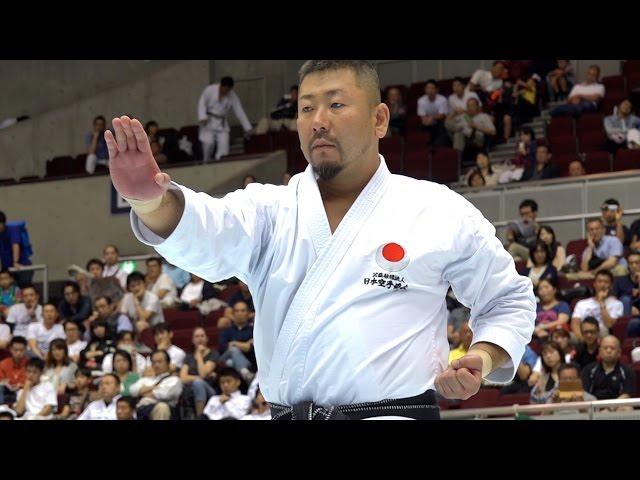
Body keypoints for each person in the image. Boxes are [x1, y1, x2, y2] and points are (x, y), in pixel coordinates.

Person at [108, 60, 536, 419]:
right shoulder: (269, 210)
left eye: (336, 104)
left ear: (379, 119)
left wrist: (482, 356)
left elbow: (509, 298)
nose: (318, 121)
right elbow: (208, 228)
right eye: (306, 107)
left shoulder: (435, 209)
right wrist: (149, 202)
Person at [198, 76, 254, 162]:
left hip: (222, 123)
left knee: (224, 145)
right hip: (209, 121)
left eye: (228, 90)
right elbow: (202, 103)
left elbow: (239, 111)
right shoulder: (210, 90)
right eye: (225, 89)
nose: (226, 92)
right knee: (208, 143)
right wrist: (202, 117)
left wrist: (248, 128)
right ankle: (206, 162)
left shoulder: (232, 95)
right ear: (221, 85)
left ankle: (220, 161)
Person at [129, 349, 182, 420]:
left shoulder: (174, 380)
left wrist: (141, 392)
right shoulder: (146, 379)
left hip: (163, 410)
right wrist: (152, 387)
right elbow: (132, 390)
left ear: (168, 363)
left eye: (160, 362)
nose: (156, 365)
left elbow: (164, 394)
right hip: (141, 410)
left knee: (162, 406)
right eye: (154, 362)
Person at [582, 336, 635, 406]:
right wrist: (599, 408)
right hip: (594, 407)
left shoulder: (627, 371)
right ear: (600, 352)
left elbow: (626, 395)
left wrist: (610, 408)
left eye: (612, 348)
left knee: (627, 409)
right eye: (605, 348)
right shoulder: (588, 370)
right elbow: (585, 393)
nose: (608, 351)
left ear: (619, 352)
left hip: (618, 407)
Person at [571, 271, 623, 340]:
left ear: (611, 286)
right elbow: (575, 324)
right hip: (584, 333)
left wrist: (601, 302)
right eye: (599, 281)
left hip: (602, 334)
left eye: (606, 282)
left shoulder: (617, 304)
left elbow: (609, 324)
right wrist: (582, 339)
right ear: (594, 284)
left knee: (603, 330)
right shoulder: (582, 303)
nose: (602, 285)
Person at [179, 327, 219, 417]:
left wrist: (199, 356)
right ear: (193, 340)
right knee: (197, 382)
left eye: (202, 336)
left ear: (207, 339)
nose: (199, 338)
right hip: (190, 391)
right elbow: (183, 378)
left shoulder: (213, 354)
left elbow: (203, 373)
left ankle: (200, 417)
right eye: (196, 336)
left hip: (210, 390)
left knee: (198, 383)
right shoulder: (188, 356)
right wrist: (202, 378)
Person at [218, 301, 255, 383]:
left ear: (248, 313)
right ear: (233, 314)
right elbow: (224, 348)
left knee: (230, 363)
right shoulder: (226, 331)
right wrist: (245, 345)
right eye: (237, 311)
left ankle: (242, 373)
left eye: (243, 310)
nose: (240, 313)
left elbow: (251, 348)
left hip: (248, 362)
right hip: (225, 357)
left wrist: (234, 343)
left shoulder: (253, 330)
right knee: (233, 351)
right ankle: (245, 374)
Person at [417, 79, 449, 146]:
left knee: (441, 127)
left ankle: (438, 147)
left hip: (440, 121)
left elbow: (442, 115)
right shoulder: (421, 100)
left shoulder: (442, 99)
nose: (430, 90)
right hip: (427, 121)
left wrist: (432, 118)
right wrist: (426, 120)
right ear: (425, 90)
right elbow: (422, 115)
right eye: (428, 88)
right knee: (421, 126)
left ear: (437, 89)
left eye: (432, 88)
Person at [614, 252, 640, 328]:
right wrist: (629, 307)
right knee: (625, 299)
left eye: (637, 263)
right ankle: (624, 328)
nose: (634, 266)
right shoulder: (620, 281)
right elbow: (613, 301)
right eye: (631, 263)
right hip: (626, 313)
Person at [0, 336, 27, 406]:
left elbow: (33, 381)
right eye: (15, 350)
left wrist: (21, 385)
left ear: (25, 350)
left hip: (23, 393)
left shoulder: (30, 365)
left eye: (21, 350)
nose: (18, 353)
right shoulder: (3, 364)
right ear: (10, 349)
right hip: (5, 393)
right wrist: (5, 384)